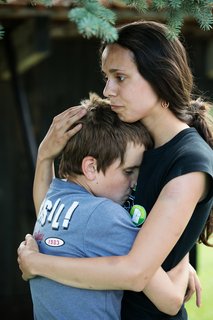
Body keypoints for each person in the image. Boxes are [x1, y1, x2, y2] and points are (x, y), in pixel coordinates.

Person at [17, 20, 213, 320]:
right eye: (107, 77)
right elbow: (62, 217)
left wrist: (38, 265)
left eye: (120, 77)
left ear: (159, 78)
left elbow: (135, 272)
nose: (108, 90)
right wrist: (45, 157)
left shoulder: (189, 164)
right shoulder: (132, 143)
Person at [27, 93, 191, 320]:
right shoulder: (104, 215)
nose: (134, 183)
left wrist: (45, 155)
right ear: (91, 168)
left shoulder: (52, 199)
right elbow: (171, 301)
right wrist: (183, 260)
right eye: (128, 171)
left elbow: (43, 196)